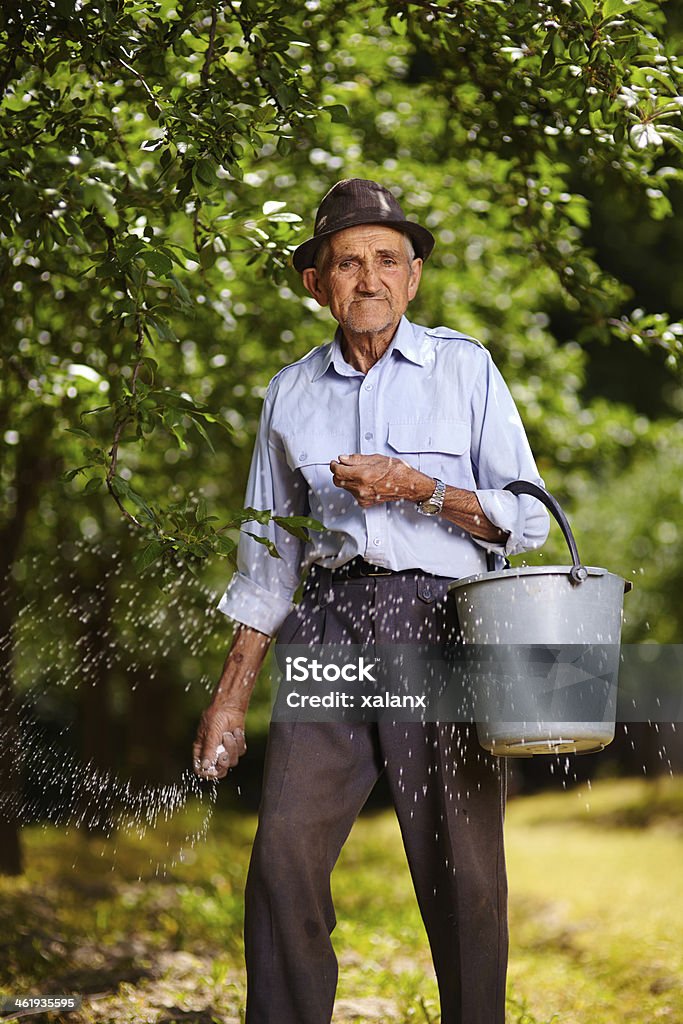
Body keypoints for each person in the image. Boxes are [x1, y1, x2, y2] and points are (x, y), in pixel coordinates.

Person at [193, 178, 549, 1024]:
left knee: (463, 872)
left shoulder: (464, 367)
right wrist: (230, 700)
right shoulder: (289, 393)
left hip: (441, 624)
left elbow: (527, 518)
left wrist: (420, 488)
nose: (367, 279)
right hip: (327, 626)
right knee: (283, 851)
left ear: (413, 276)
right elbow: (267, 561)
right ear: (316, 284)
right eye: (346, 263)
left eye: (386, 261)